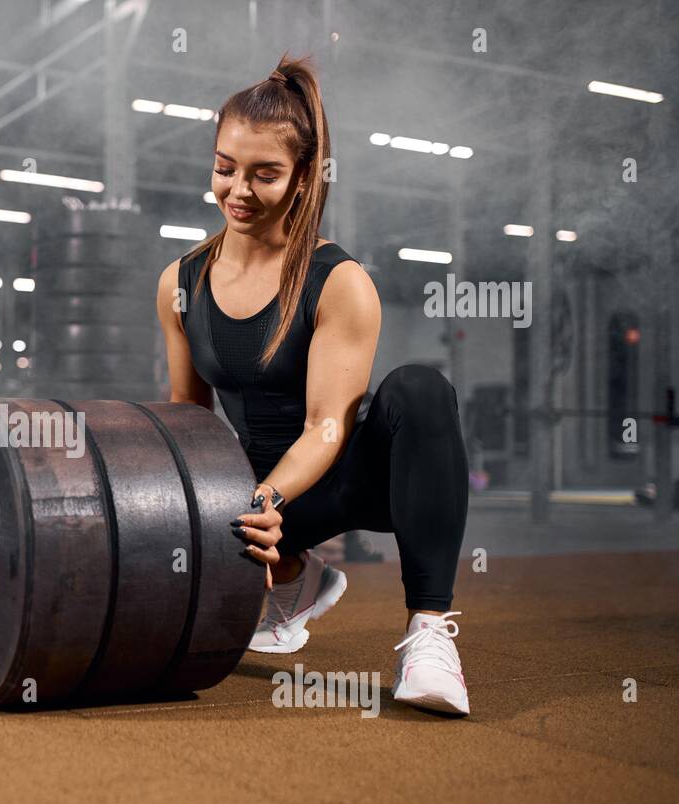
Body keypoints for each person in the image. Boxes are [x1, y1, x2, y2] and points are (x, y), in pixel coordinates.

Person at [154, 54, 471, 715]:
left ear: (303, 178)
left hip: (347, 479)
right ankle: (294, 577)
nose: (238, 189)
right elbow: (187, 417)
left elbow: (327, 425)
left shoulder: (339, 281)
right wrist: (198, 514)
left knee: (420, 389)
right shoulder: (179, 283)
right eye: (225, 167)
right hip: (254, 498)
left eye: (265, 173)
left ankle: (429, 633)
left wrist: (267, 497)